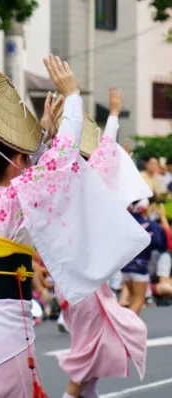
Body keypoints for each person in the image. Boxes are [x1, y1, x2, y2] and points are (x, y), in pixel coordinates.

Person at [0, 44, 149, 398]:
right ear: (18, 159)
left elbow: (37, 167)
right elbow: (63, 155)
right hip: (2, 344)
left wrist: (41, 134)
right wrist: (74, 97)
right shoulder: (17, 199)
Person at [54, 88, 150, 398]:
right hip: (85, 282)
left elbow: (104, 154)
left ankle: (85, 394)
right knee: (92, 348)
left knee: (99, 344)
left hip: (75, 279)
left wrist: (51, 125)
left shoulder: (56, 182)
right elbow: (106, 153)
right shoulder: (86, 182)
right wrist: (113, 113)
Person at [123, 198, 167, 315]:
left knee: (133, 299)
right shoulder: (150, 225)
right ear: (145, 208)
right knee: (139, 300)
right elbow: (160, 243)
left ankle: (131, 330)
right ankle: (124, 328)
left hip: (124, 267)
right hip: (140, 267)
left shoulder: (125, 222)